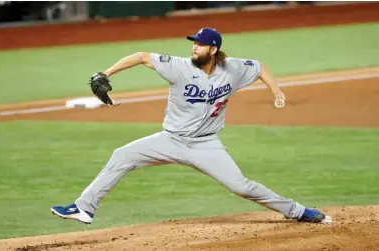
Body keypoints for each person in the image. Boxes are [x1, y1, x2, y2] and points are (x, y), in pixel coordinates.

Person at [51, 27, 332, 225]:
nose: (193, 47)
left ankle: (297, 211)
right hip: (170, 140)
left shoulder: (232, 69)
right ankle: (84, 208)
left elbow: (259, 67)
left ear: (213, 49)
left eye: (198, 43)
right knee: (122, 155)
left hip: (206, 145)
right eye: (193, 42)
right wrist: (106, 73)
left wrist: (276, 91)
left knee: (242, 187)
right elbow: (141, 56)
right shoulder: (178, 66)